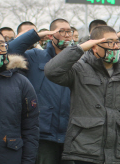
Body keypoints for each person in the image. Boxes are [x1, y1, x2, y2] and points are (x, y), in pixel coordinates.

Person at [44, 26, 120, 164]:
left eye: (117, 42)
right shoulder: (79, 69)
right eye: (109, 43)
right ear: (94, 47)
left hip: (117, 154)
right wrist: (80, 48)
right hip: (83, 153)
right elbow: (51, 71)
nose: (115, 47)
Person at [7, 19, 74, 164]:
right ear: (51, 35)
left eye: (70, 31)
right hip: (43, 134)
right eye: (62, 31)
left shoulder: (77, 59)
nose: (67, 35)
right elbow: (9, 51)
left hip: (70, 135)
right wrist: (36, 35)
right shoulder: (35, 56)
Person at [0, 27, 39, 164]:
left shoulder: (21, 82)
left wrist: (28, 161)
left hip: (9, 156)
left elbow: (31, 128)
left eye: (1, 45)